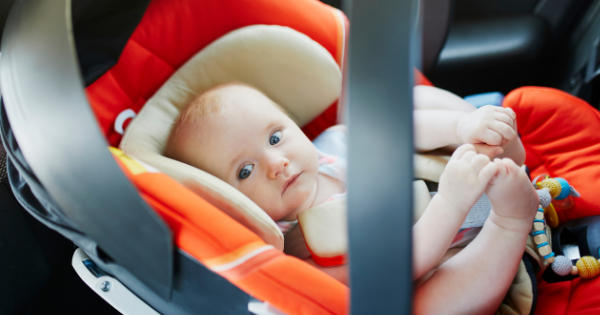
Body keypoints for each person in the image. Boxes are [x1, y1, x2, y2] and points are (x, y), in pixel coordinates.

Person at [164, 82, 539, 314]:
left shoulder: (331, 146)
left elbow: (398, 130)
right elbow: (395, 271)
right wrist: (453, 203)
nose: (276, 163)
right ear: (231, 201)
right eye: (245, 171)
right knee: (427, 309)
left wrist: (460, 128)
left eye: (275, 137)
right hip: (453, 258)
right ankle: (512, 222)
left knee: (405, 103)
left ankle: (497, 146)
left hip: (452, 176)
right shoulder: (297, 248)